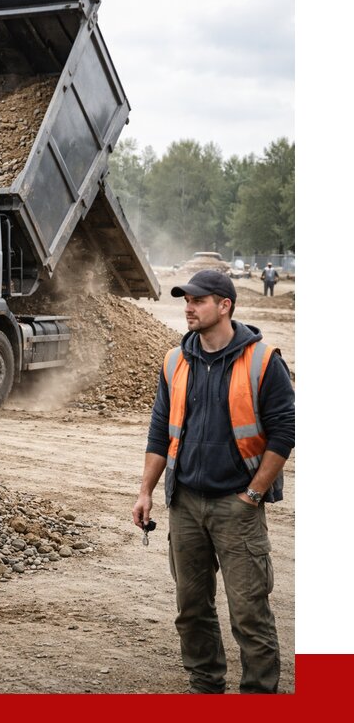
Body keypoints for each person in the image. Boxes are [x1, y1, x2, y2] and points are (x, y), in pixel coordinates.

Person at [132, 269, 295, 694]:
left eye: (198, 300)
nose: (188, 307)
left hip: (237, 506)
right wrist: (145, 491)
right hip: (185, 503)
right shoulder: (175, 361)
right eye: (186, 300)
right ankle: (205, 686)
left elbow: (284, 434)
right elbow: (159, 432)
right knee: (191, 609)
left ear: (225, 306)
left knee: (249, 612)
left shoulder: (263, 361)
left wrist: (252, 494)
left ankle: (259, 694)